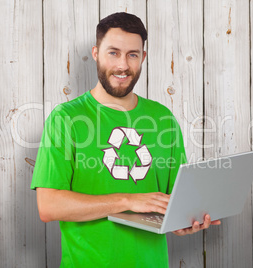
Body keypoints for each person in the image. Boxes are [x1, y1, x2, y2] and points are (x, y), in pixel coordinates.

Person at [31, 12, 220, 267]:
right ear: (96, 53)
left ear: (143, 57)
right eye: (113, 53)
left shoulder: (162, 118)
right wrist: (128, 201)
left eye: (132, 54)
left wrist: (185, 221)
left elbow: (174, 201)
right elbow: (49, 205)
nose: (123, 65)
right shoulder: (66, 119)